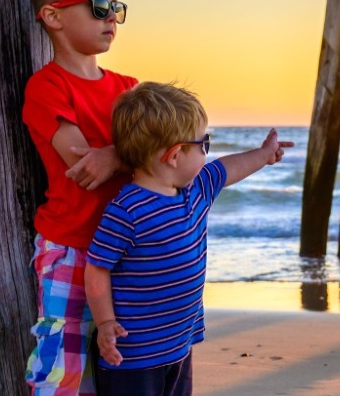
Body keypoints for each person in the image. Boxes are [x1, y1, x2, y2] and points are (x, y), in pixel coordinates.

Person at [85, 82, 293, 396]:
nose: (207, 153)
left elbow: (230, 167)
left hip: (178, 345)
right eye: (203, 144)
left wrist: (264, 155)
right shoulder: (127, 211)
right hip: (133, 356)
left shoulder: (196, 190)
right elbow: (97, 268)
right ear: (174, 155)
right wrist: (104, 322)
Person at [22, 0, 138, 396]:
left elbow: (168, 153)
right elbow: (83, 164)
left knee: (125, 359)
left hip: (128, 249)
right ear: (53, 15)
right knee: (63, 368)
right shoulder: (48, 85)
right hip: (71, 248)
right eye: (99, 6)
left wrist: (113, 155)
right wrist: (117, 155)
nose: (113, 18)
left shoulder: (129, 87)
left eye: (117, 8)